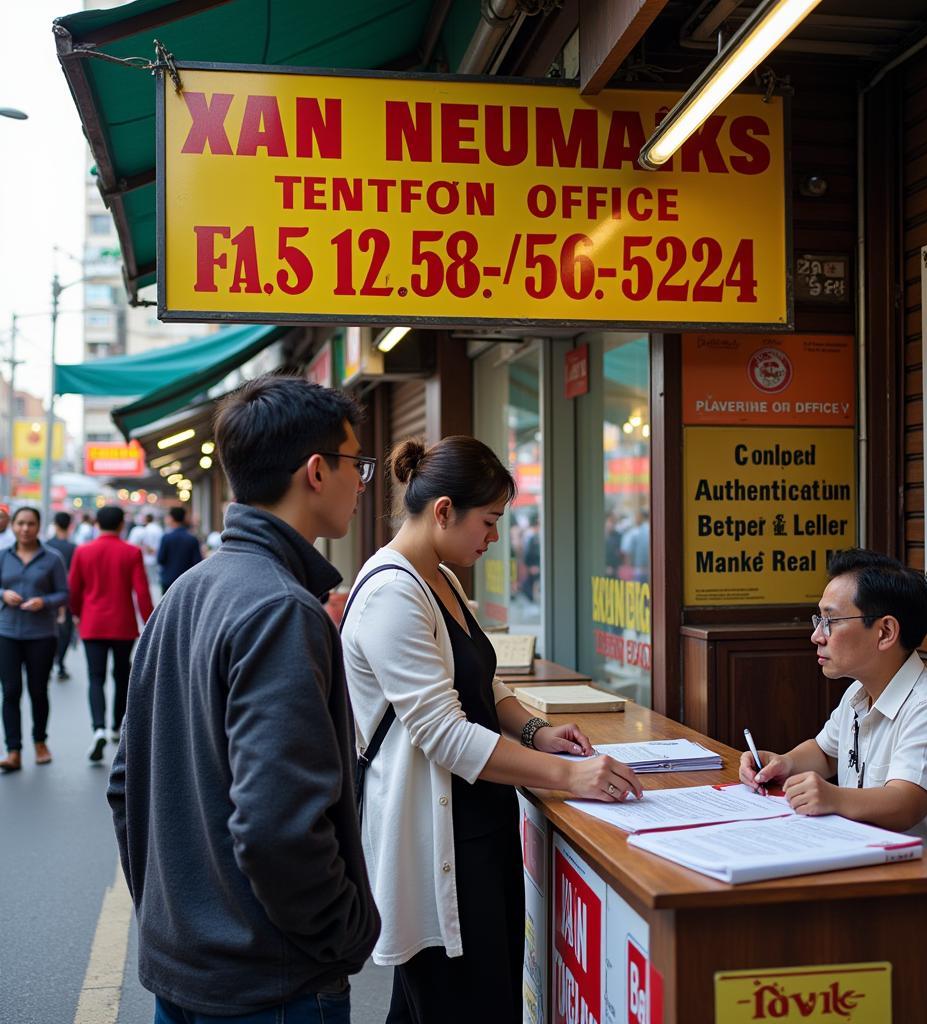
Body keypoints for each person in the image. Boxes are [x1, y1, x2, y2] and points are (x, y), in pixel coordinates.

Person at [342, 435, 642, 1024]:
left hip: (475, 823)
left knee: (444, 1000)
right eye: (490, 520)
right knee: (464, 999)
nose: (495, 537)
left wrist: (535, 732)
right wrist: (571, 774)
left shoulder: (442, 579)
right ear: (444, 511)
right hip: (438, 839)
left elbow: (482, 682)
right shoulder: (392, 594)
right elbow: (444, 733)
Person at [108, 374, 380, 1023]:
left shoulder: (185, 594)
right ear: (317, 471)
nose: (362, 480)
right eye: (356, 463)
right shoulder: (282, 610)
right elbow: (276, 828)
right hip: (272, 985)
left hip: (181, 969)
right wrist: (343, 934)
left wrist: (173, 919)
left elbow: (126, 785)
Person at [739, 548, 927, 1007]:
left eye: (830, 622)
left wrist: (830, 797)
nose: (817, 636)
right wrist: (783, 762)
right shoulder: (858, 692)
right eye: (818, 620)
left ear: (885, 631)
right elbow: (822, 752)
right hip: (872, 880)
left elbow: (904, 804)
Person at [68, 505, 154, 762]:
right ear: (121, 525)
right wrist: (150, 621)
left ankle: (98, 728)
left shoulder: (83, 552)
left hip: (92, 624)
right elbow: (141, 591)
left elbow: (73, 589)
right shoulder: (131, 552)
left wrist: (76, 614)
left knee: (96, 677)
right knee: (121, 675)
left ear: (97, 524)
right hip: (122, 625)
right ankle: (117, 727)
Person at [0, 507, 68, 772]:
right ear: (13, 526)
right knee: (11, 691)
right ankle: (13, 750)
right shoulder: (4, 556)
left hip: (41, 634)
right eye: (20, 524)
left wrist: (45, 601)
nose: (25, 529)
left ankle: (40, 742)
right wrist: (3, 594)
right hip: (7, 632)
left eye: (30, 524)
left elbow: (64, 593)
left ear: (39, 526)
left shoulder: (52, 559)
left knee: (38, 691)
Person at [46, 511, 77, 681]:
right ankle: (60, 663)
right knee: (65, 632)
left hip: (48, 596)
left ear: (55, 524)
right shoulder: (73, 548)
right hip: (67, 596)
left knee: (49, 631)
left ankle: (50, 662)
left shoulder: (46, 545)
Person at [156, 506, 202, 593]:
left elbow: (160, 559)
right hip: (186, 581)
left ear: (171, 518)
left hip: (168, 580)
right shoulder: (192, 539)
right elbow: (197, 562)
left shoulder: (166, 538)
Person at [128, 512, 162, 589]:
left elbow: (144, 544)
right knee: (156, 580)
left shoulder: (145, 530)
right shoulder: (158, 529)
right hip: (157, 557)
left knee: (149, 581)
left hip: (148, 557)